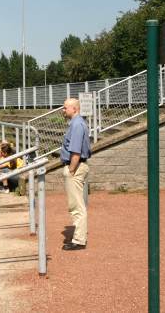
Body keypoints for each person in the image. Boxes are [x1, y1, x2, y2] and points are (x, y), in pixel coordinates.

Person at [60, 98, 92, 250]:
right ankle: (79, 237)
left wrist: (71, 170)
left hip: (76, 167)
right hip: (76, 166)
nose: (63, 110)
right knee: (76, 205)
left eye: (65, 107)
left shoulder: (77, 124)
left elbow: (76, 152)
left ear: (74, 109)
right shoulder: (76, 123)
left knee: (77, 206)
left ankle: (79, 240)